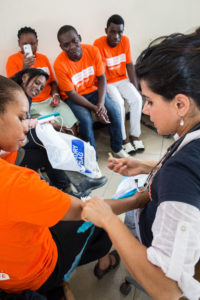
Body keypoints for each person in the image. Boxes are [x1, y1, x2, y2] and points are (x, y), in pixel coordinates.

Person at [81, 30, 200, 300]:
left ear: (180, 103)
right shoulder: (191, 142)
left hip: (155, 248)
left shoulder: (178, 175)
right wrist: (147, 167)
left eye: (149, 101)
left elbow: (168, 289)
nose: (145, 110)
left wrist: (109, 221)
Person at [0, 75, 121, 294]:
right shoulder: (15, 183)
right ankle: (104, 262)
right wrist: (139, 198)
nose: (26, 126)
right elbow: (87, 211)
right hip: (30, 275)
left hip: (6, 269)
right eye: (20, 117)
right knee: (99, 223)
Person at [10, 68, 107, 196]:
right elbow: (16, 124)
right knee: (47, 135)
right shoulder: (13, 96)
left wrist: (50, 123)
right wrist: (42, 124)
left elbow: (25, 120)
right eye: (36, 83)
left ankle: (68, 190)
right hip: (12, 148)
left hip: (20, 142)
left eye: (41, 87)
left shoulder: (25, 97)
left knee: (50, 151)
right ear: (25, 77)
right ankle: (80, 182)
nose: (38, 89)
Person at [54, 25, 128, 158]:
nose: (71, 47)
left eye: (74, 41)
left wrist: (100, 104)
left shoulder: (92, 51)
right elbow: (72, 94)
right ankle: (92, 158)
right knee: (86, 121)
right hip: (74, 97)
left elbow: (102, 78)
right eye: (66, 45)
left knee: (113, 110)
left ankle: (117, 148)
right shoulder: (59, 64)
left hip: (93, 91)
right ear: (61, 47)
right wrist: (96, 108)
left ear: (80, 39)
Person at [6, 26, 78, 134]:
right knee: (53, 130)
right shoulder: (13, 60)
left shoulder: (43, 58)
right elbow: (14, 88)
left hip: (50, 101)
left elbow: (52, 81)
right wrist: (25, 67)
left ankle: (71, 148)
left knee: (72, 127)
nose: (29, 47)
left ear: (37, 42)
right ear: (19, 44)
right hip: (33, 104)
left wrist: (55, 94)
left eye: (33, 43)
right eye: (25, 44)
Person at [94, 14, 144, 155]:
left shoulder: (125, 41)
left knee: (137, 99)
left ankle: (135, 135)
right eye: (113, 32)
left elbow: (129, 65)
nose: (116, 36)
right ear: (106, 31)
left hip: (122, 79)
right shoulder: (98, 44)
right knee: (119, 104)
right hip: (107, 82)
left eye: (120, 32)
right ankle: (122, 139)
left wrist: (135, 87)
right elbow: (101, 75)